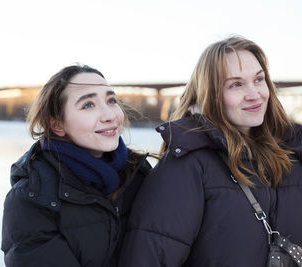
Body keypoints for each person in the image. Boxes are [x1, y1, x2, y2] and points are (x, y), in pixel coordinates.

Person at [119, 36, 302, 267]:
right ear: (211, 93)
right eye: (236, 84)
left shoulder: (293, 153)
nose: (254, 94)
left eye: (259, 79)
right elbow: (148, 257)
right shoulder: (187, 165)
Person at [1, 64, 151, 267]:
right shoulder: (32, 198)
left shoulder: (140, 174)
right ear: (57, 125)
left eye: (111, 100)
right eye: (88, 105)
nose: (109, 115)